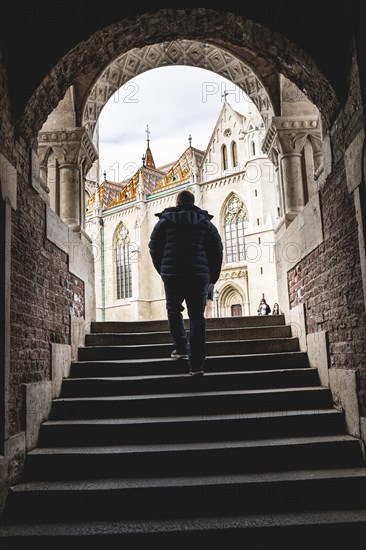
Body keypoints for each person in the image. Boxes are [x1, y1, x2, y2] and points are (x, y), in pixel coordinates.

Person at [149, 190, 223, 376]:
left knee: (174, 310)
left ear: (177, 203)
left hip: (172, 275)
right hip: (198, 276)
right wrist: (211, 276)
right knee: (198, 316)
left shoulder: (164, 222)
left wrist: (163, 269)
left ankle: (181, 348)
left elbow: (153, 247)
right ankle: (197, 366)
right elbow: (217, 249)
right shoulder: (205, 223)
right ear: (193, 203)